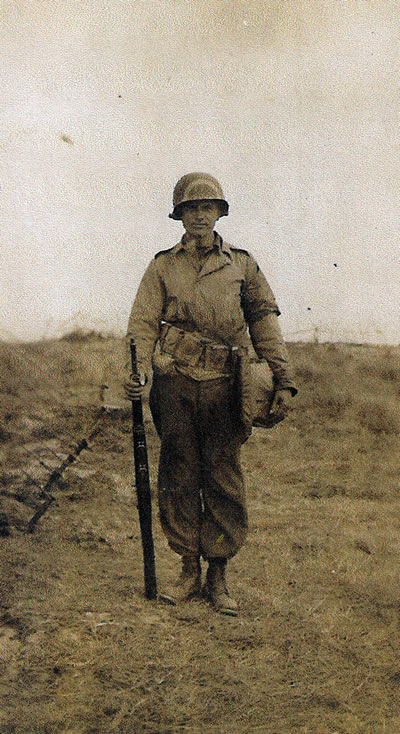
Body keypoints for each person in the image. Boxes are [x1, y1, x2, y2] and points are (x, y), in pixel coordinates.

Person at [125, 173, 297, 616]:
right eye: (190, 208)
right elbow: (143, 325)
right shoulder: (163, 265)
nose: (199, 215)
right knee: (179, 473)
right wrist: (137, 370)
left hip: (227, 386)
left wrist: (284, 378)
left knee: (222, 475)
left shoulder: (241, 263)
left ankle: (218, 575)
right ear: (179, 215)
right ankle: (187, 570)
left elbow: (263, 321)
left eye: (208, 207)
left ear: (220, 212)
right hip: (176, 383)